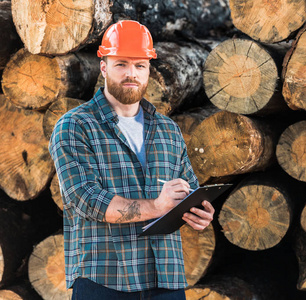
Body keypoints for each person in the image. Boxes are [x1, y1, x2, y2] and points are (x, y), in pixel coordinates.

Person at [48, 20, 215, 300]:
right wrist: (157, 206)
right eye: (121, 64)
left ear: (149, 69)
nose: (131, 74)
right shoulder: (75, 126)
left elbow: (188, 189)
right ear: (103, 67)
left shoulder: (167, 130)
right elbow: (86, 199)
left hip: (166, 279)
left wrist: (198, 212)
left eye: (140, 66)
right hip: (104, 280)